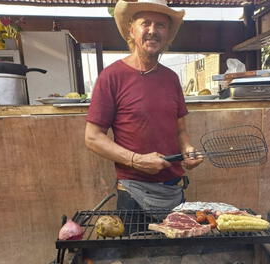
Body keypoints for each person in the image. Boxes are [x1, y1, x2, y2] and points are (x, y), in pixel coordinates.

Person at [85, 0, 203, 214]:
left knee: (178, 247)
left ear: (167, 34)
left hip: (174, 188)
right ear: (131, 30)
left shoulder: (171, 78)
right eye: (145, 23)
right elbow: (92, 137)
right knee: (134, 248)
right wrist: (136, 160)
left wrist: (187, 149)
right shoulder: (112, 76)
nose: (152, 31)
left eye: (160, 25)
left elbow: (180, 130)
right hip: (133, 194)